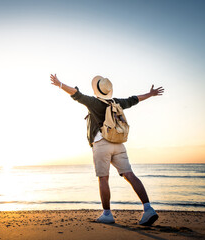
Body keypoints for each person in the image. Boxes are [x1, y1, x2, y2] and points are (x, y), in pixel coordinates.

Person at [50, 74, 164, 225]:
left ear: (97, 89)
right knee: (129, 174)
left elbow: (76, 94)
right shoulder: (117, 102)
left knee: (103, 178)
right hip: (118, 143)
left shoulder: (93, 102)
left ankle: (107, 214)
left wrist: (60, 84)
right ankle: (148, 208)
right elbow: (134, 99)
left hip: (101, 143)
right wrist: (150, 94)